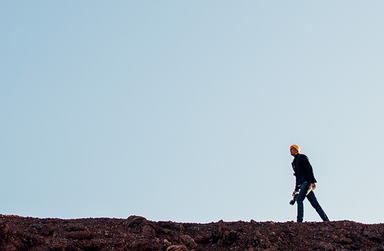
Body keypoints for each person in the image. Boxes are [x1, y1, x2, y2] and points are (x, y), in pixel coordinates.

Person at [290, 144, 329, 222]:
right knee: (315, 203)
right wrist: (296, 189)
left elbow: (309, 168)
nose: (290, 150)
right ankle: (326, 220)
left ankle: (299, 221)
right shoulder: (294, 163)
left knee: (299, 200)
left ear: (297, 150)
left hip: (307, 182)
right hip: (302, 184)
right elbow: (297, 177)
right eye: (290, 149)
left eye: (292, 149)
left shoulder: (302, 157)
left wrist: (312, 181)